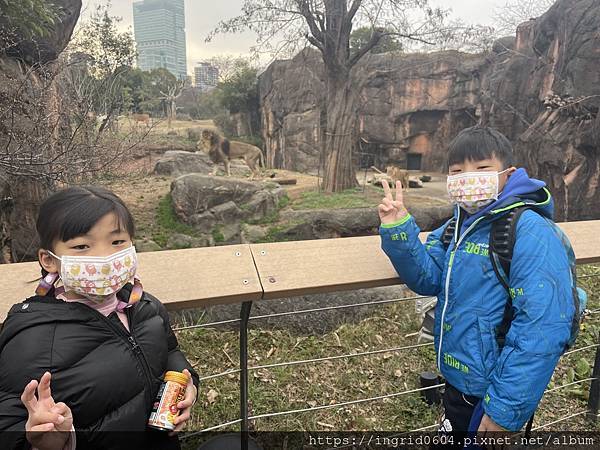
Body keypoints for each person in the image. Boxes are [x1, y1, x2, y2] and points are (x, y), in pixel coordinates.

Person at [378, 126, 575, 443]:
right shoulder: (457, 226)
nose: (468, 177)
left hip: (494, 392)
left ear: (507, 174)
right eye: (457, 171)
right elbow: (428, 278)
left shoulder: (529, 231)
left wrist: (503, 410)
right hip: (460, 381)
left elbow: (544, 325)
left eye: (482, 168)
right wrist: (399, 229)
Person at [0, 186, 199, 450]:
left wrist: (189, 385)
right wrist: (52, 441)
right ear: (49, 260)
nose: (105, 258)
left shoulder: (144, 306)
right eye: (82, 246)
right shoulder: (31, 338)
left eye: (117, 242)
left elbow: (170, 351)